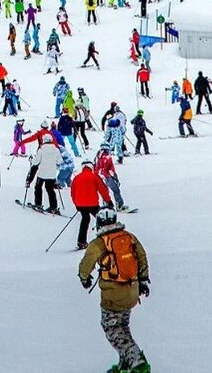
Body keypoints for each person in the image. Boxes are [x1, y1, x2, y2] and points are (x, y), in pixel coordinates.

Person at [78, 208, 151, 373]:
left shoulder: (99, 243)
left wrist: (84, 277)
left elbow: (86, 263)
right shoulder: (129, 237)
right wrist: (143, 280)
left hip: (113, 295)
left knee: (111, 328)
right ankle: (125, 363)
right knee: (122, 325)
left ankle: (137, 362)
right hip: (132, 290)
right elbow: (142, 256)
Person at [71, 161, 111, 249]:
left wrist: (76, 204)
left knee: (85, 219)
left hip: (80, 204)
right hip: (93, 204)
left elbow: (73, 193)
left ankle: (81, 241)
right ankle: (105, 239)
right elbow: (102, 190)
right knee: (101, 219)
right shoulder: (94, 176)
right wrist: (108, 201)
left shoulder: (76, 178)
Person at [26, 133, 62, 213]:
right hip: (52, 174)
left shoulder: (41, 149)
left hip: (42, 173)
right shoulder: (56, 150)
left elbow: (36, 162)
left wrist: (31, 160)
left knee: (38, 188)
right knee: (50, 190)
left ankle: (38, 204)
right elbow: (60, 161)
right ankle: (53, 206)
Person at [96, 143, 127, 209]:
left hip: (99, 176)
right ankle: (119, 205)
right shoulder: (108, 157)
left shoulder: (97, 157)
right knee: (116, 190)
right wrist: (115, 178)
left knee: (105, 191)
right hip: (106, 176)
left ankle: (106, 204)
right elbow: (110, 169)